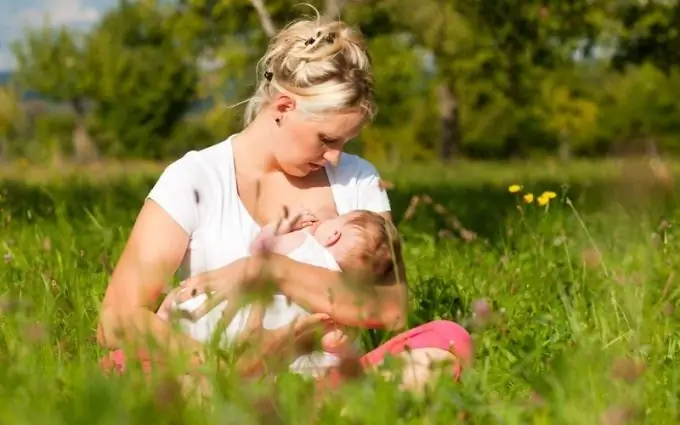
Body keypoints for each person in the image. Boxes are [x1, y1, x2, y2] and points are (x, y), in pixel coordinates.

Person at [96, 12, 473, 395]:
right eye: (326, 139)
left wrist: (269, 271)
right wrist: (223, 364)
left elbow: (390, 309)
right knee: (127, 366)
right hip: (216, 374)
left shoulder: (357, 180)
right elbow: (116, 319)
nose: (335, 158)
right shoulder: (195, 178)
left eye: (345, 143)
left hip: (326, 379)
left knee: (446, 340)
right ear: (284, 107)